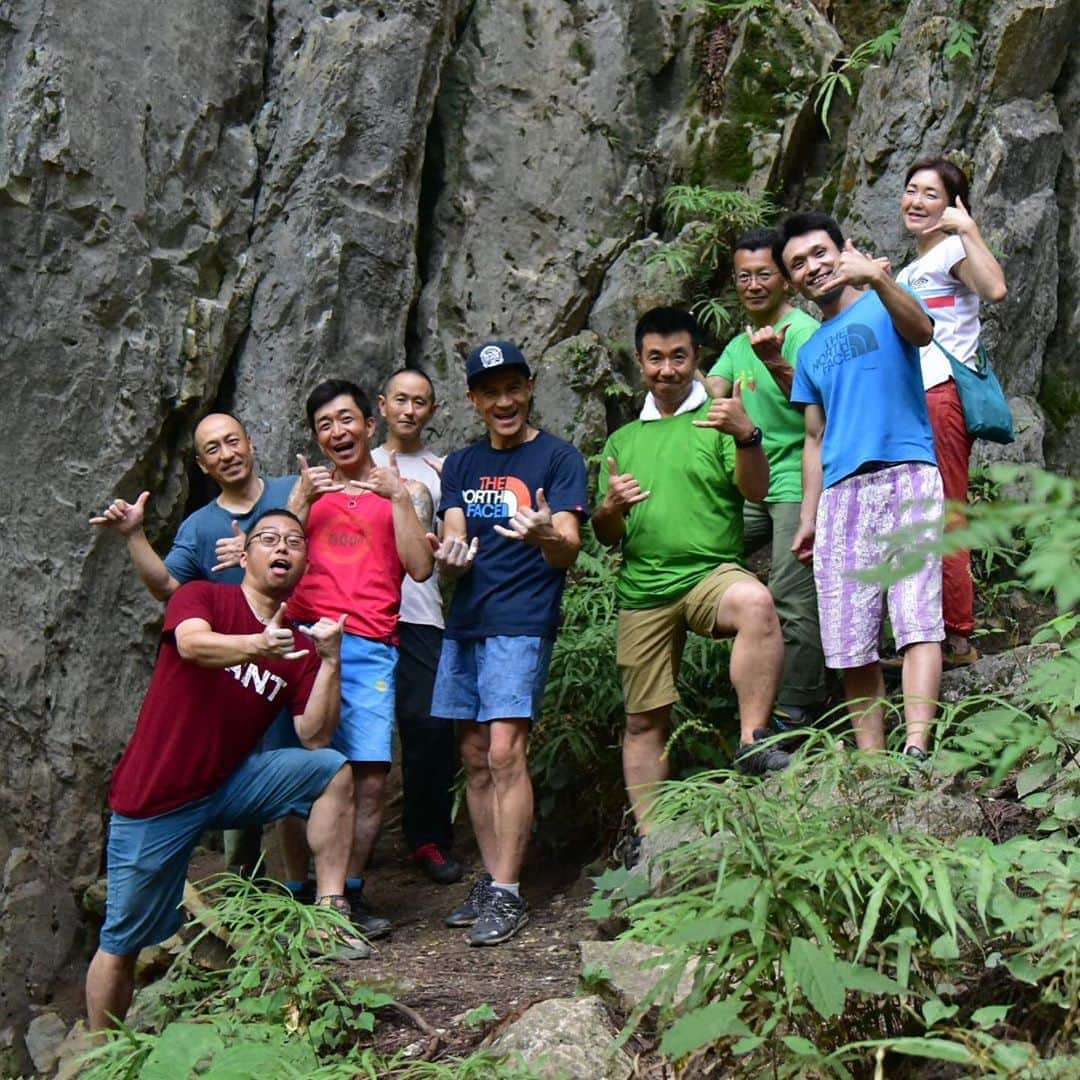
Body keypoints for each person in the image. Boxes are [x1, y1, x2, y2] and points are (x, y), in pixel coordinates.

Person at [85, 509, 363, 1031]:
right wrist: (257, 644)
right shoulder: (205, 597)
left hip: (226, 786)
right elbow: (192, 644)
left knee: (329, 768)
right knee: (122, 942)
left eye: (295, 542)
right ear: (246, 554)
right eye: (270, 538)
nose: (283, 547)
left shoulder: (299, 647)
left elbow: (315, 734)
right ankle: (103, 1056)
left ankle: (330, 913)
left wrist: (329, 660)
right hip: (156, 797)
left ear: (303, 562)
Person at [593, 306, 787, 846]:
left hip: (709, 574)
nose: (667, 370)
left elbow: (755, 492)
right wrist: (609, 506)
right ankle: (653, 838)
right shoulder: (624, 440)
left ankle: (753, 739)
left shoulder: (719, 420)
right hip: (644, 588)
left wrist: (748, 436)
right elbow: (607, 535)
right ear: (640, 362)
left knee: (755, 603)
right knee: (642, 721)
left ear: (695, 357)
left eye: (679, 357)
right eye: (655, 359)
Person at [90, 412, 302, 877]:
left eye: (232, 441)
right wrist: (134, 535)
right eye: (213, 450)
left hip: (297, 655)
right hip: (237, 670)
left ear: (250, 442)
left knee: (304, 764)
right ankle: (243, 886)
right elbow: (168, 584)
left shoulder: (292, 491)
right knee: (235, 767)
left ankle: (308, 887)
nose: (227, 454)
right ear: (203, 466)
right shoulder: (200, 526)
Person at [431, 341, 588, 946]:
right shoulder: (462, 465)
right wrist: (450, 554)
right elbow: (452, 531)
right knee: (472, 756)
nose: (505, 401)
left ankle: (509, 892)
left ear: (529, 388)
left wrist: (548, 531)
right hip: (467, 620)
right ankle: (494, 878)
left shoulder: (557, 458)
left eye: (514, 388)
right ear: (474, 400)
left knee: (504, 751)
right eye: (490, 392)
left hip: (522, 620)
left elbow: (569, 546)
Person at [775, 211, 944, 759]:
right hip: (842, 495)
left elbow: (923, 331)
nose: (812, 268)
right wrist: (808, 516)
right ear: (791, 280)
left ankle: (916, 747)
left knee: (918, 612)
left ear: (843, 249)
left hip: (908, 472)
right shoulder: (808, 351)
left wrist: (878, 278)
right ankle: (873, 762)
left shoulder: (883, 299)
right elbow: (814, 437)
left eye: (819, 253)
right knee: (849, 638)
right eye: (797, 264)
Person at [288, 379, 434, 938]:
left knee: (371, 777)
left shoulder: (406, 491)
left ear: (369, 424)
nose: (337, 432)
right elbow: (272, 561)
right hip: (306, 640)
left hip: (371, 644)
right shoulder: (307, 491)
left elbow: (420, 568)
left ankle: (346, 893)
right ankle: (298, 892)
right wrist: (299, 502)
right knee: (301, 769)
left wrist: (396, 496)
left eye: (346, 419)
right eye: (325, 425)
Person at [705, 229, 828, 730]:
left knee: (792, 593)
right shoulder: (738, 342)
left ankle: (798, 704)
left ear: (785, 280)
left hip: (799, 478)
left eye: (764, 274)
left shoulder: (802, 331)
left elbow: (822, 399)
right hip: (753, 480)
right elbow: (716, 381)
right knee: (707, 546)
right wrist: (713, 388)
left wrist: (776, 360)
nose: (753, 285)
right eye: (744, 276)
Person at [895, 157, 1007, 666]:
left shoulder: (952, 251)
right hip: (917, 397)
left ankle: (958, 635)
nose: (916, 202)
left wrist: (971, 232)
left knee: (944, 511)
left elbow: (995, 289)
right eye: (911, 191)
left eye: (930, 195)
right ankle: (927, 636)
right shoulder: (912, 269)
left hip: (942, 393)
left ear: (952, 205)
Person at [372, 367, 462, 885]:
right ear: (382, 406)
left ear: (432, 410)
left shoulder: (440, 471)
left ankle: (428, 837)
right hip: (361, 615)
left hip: (422, 612)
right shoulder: (352, 464)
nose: (409, 410)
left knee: (431, 728)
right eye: (400, 400)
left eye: (420, 402)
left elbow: (452, 534)